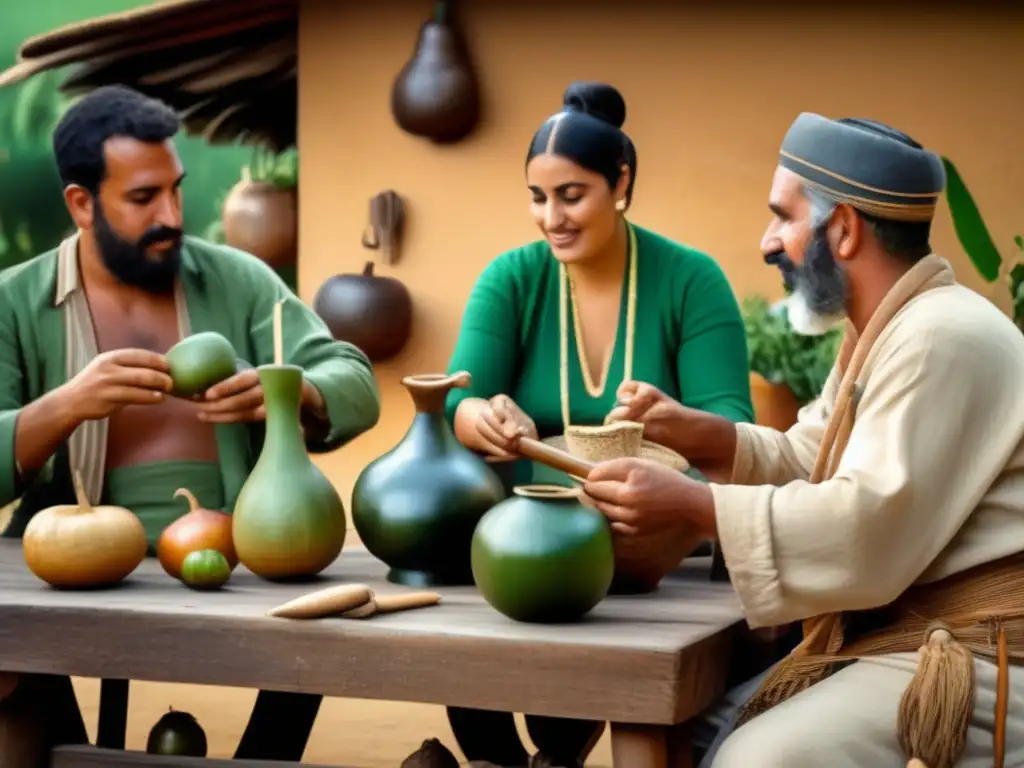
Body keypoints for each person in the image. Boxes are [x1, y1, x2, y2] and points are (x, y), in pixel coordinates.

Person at [580, 112, 1024, 767]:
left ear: (842, 229)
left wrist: (691, 506)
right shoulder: (889, 331)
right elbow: (810, 457)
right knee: (692, 729)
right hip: (911, 634)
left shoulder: (937, 337)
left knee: (753, 760)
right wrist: (704, 437)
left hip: (980, 652)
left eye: (783, 218)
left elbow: (867, 524)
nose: (767, 242)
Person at [0, 85, 381, 761]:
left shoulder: (241, 281)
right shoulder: (14, 301)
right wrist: (68, 402)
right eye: (144, 199)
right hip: (65, 570)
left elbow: (352, 377)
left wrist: (290, 394)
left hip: (237, 564)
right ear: (81, 204)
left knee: (323, 633)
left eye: (175, 191)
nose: (173, 215)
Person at [411, 81, 754, 768]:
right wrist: (484, 416)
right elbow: (456, 398)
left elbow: (733, 426)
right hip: (529, 551)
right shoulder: (512, 278)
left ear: (620, 182)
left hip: (656, 553)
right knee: (470, 662)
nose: (551, 217)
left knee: (610, 708)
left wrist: (672, 421)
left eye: (572, 195)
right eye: (538, 198)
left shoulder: (691, 279)